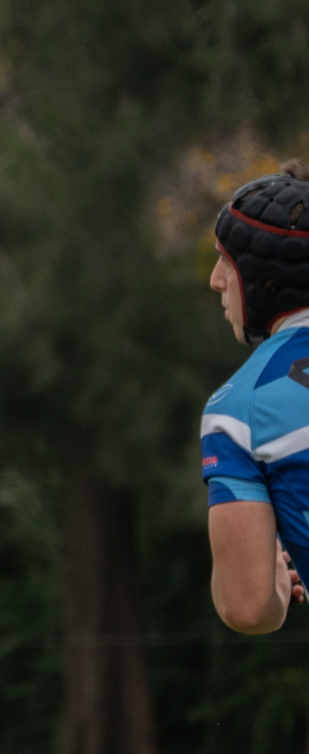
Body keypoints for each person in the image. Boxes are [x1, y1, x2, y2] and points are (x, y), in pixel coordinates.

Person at [202, 161, 309, 633]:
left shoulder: (238, 410)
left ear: (266, 276)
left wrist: (278, 586)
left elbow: (246, 606)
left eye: (226, 262)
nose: (215, 281)